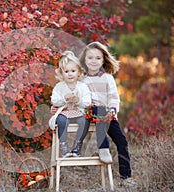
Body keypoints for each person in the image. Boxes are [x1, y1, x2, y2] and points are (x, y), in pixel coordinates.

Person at [51, 42, 132, 180]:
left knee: (122, 141)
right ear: (84, 60)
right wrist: (57, 107)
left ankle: (126, 177)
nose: (94, 61)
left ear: (103, 59)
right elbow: (69, 91)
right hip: (88, 113)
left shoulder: (108, 78)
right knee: (98, 108)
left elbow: (114, 97)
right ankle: (103, 147)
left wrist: (112, 110)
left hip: (107, 115)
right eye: (90, 58)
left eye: (98, 58)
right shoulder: (81, 79)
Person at [49, 51, 91, 158]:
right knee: (62, 121)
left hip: (78, 112)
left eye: (73, 71)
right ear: (61, 73)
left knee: (85, 120)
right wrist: (63, 99)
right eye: (66, 71)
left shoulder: (82, 86)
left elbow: (87, 102)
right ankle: (64, 147)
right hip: (64, 113)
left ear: (79, 72)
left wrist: (78, 100)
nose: (70, 74)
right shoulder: (59, 86)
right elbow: (54, 100)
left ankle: (77, 145)